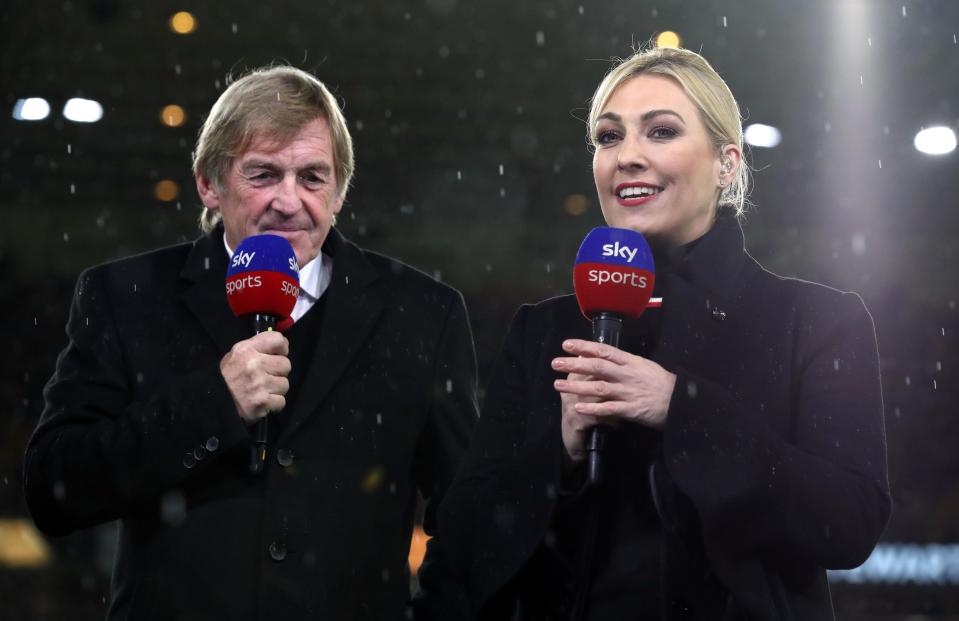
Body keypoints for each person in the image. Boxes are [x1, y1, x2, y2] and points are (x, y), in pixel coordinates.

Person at [418, 46, 891, 620]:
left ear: (727, 163)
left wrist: (680, 408)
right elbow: (459, 547)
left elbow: (848, 523)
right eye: (609, 137)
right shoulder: (543, 330)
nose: (627, 157)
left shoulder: (816, 320)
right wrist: (560, 454)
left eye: (661, 131)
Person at [23, 66, 478, 620]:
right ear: (208, 184)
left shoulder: (423, 315)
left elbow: (467, 510)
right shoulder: (125, 298)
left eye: (312, 178)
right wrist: (215, 402)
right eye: (263, 174)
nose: (289, 202)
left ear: (339, 193)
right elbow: (55, 488)